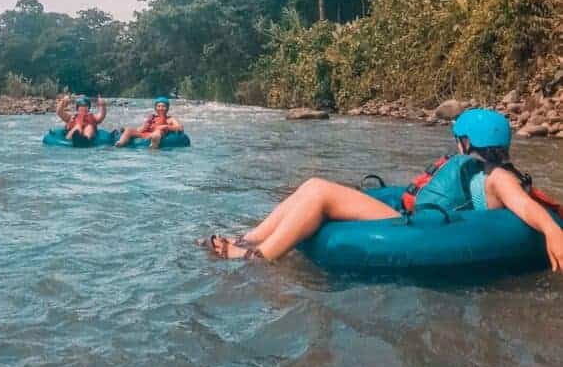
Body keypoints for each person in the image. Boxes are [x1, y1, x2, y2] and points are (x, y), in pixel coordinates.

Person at [206, 108, 563, 270]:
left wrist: (550, 229)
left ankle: (258, 258)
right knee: (312, 186)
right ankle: (249, 239)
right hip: (420, 219)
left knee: (318, 191)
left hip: (423, 229)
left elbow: (522, 204)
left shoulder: (499, 177)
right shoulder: (482, 168)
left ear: (466, 141)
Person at [115, 97, 184, 149]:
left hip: (157, 135)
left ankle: (153, 147)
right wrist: (130, 130)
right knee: (129, 130)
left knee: (156, 134)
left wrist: (166, 126)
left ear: (167, 108)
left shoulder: (170, 119)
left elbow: (180, 128)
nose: (161, 108)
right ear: (155, 108)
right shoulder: (152, 117)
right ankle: (121, 143)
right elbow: (142, 129)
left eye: (163, 106)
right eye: (159, 106)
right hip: (146, 134)